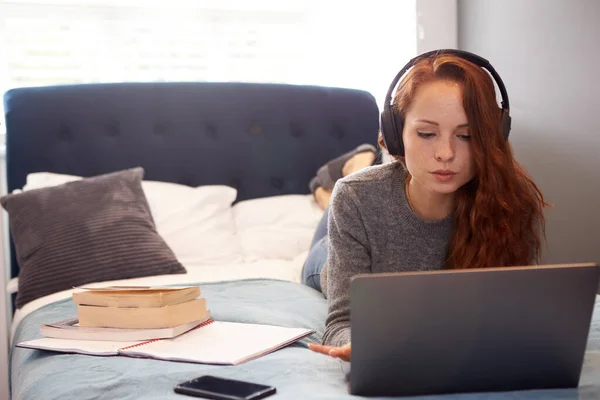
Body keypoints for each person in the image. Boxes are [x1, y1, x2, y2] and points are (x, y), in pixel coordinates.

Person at [301, 49, 549, 363]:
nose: (445, 153)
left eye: (467, 136)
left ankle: (359, 162)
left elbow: (512, 311)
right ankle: (336, 180)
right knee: (339, 203)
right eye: (427, 134)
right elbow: (340, 322)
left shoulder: (510, 200)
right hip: (326, 258)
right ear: (395, 135)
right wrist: (357, 344)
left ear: (492, 138)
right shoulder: (355, 197)